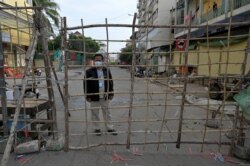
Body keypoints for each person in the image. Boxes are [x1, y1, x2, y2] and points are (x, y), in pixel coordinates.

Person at [84, 53, 117, 136]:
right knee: (95, 113)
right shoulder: (89, 71)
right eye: (96, 60)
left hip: (105, 95)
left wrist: (111, 92)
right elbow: (85, 84)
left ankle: (110, 127)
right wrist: (87, 95)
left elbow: (110, 81)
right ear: (94, 61)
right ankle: (97, 128)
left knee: (107, 112)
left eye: (99, 60)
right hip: (94, 95)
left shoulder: (106, 70)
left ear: (102, 61)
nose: (98, 61)